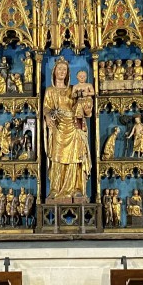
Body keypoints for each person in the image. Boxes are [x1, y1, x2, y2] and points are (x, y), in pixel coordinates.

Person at [44, 59, 91, 200]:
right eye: (59, 69)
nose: (62, 72)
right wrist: (47, 116)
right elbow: (46, 107)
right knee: (57, 157)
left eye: (65, 69)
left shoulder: (73, 88)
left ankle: (76, 188)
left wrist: (86, 104)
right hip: (58, 126)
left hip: (73, 125)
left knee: (75, 157)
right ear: (54, 72)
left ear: (68, 73)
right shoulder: (50, 91)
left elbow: (81, 104)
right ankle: (55, 188)